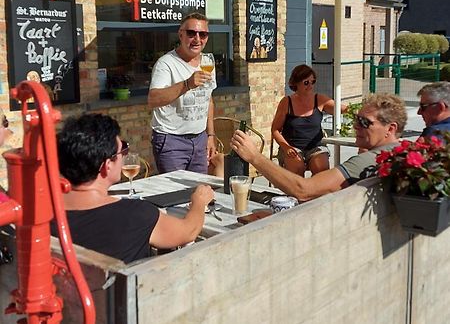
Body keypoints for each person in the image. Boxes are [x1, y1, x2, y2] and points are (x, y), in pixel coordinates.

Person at [51, 113, 214, 263]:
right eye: (123, 149)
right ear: (107, 166)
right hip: (123, 294)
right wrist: (199, 202)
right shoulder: (134, 215)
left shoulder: (44, 213)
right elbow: (188, 232)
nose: (124, 155)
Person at [232, 93, 407, 202]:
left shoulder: (366, 161)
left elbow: (303, 190)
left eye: (364, 122)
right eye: (356, 120)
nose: (355, 126)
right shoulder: (400, 153)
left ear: (390, 129)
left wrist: (254, 156)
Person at [148, 13, 216, 174]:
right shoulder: (166, 63)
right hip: (172, 141)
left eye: (203, 34)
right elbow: (153, 99)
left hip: (199, 140)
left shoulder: (207, 62)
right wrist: (187, 84)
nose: (197, 39)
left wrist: (210, 135)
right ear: (181, 34)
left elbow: (208, 99)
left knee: (201, 190)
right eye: (191, 33)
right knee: (176, 195)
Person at [271, 64, 347, 177]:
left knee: (321, 168)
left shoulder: (319, 99)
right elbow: (275, 130)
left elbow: (343, 109)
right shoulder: (286, 102)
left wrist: (360, 109)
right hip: (292, 146)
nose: (310, 85)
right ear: (296, 83)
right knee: (296, 167)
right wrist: (286, 147)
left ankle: (317, 193)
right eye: (306, 82)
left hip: (315, 146)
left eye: (313, 81)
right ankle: (296, 194)